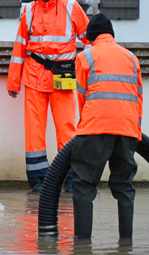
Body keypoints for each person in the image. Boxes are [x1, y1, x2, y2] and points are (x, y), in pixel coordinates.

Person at [6, 0, 90, 192]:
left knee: (66, 127)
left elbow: (90, 40)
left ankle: (72, 177)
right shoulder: (29, 11)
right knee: (34, 131)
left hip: (63, 72)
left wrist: (92, 73)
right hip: (34, 75)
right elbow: (19, 47)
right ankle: (38, 179)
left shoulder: (71, 7)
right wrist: (13, 82)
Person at [71, 13, 143, 240]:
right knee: (124, 187)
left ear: (90, 37)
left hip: (94, 128)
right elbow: (138, 98)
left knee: (83, 187)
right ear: (112, 35)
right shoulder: (132, 58)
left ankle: (82, 247)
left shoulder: (85, 56)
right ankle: (126, 243)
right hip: (128, 129)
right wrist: (135, 131)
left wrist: (85, 127)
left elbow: (82, 97)